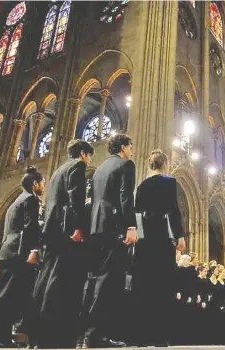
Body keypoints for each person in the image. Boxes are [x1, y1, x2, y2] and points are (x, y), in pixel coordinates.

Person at [31, 140, 93, 348]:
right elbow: (75, 198)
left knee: (46, 280)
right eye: (89, 156)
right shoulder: (77, 166)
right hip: (66, 233)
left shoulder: (58, 170)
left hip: (52, 232)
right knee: (60, 283)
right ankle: (54, 335)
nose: (89, 160)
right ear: (83, 154)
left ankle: (38, 334)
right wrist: (78, 227)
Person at [80, 133, 138, 348]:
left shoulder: (101, 168)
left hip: (96, 227)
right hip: (114, 227)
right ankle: (96, 335)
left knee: (96, 279)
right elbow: (125, 196)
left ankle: (89, 332)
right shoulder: (126, 165)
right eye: (130, 146)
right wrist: (130, 226)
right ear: (123, 147)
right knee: (110, 281)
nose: (131, 150)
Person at [0, 167, 44, 348]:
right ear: (35, 184)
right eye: (42, 184)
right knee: (4, 298)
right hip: (18, 253)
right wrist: (33, 249)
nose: (43, 187)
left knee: (8, 298)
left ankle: (1, 337)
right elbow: (30, 227)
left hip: (8, 252)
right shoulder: (30, 199)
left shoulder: (17, 200)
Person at [133, 149, 186, 346]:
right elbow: (173, 209)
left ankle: (141, 335)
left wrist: (140, 236)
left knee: (145, 283)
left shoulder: (141, 185)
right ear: (165, 164)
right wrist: (179, 235)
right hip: (162, 235)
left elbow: (136, 212)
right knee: (163, 283)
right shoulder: (169, 181)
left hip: (144, 237)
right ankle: (160, 336)